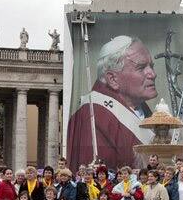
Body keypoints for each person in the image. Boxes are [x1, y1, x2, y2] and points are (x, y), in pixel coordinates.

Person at [67, 36, 158, 170]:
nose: (152, 74)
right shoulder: (91, 118)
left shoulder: (143, 109)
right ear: (113, 79)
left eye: (151, 66)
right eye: (141, 67)